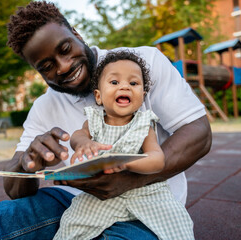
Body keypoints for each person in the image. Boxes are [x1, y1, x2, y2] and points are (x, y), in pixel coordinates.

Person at [0, 1, 212, 239]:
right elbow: (15, 189)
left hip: (146, 205)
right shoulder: (44, 107)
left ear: (76, 34)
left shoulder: (141, 64)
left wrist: (128, 180)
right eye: (46, 66)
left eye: (65, 49)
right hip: (74, 203)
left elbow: (199, 133)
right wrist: (29, 163)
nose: (62, 67)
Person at [53, 50, 194, 240]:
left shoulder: (144, 124)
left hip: (147, 194)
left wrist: (126, 163)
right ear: (98, 96)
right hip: (102, 196)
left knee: (179, 224)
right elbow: (77, 136)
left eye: (133, 83)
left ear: (142, 95)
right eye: (114, 82)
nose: (125, 87)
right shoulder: (94, 121)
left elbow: (157, 160)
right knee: (71, 223)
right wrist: (84, 143)